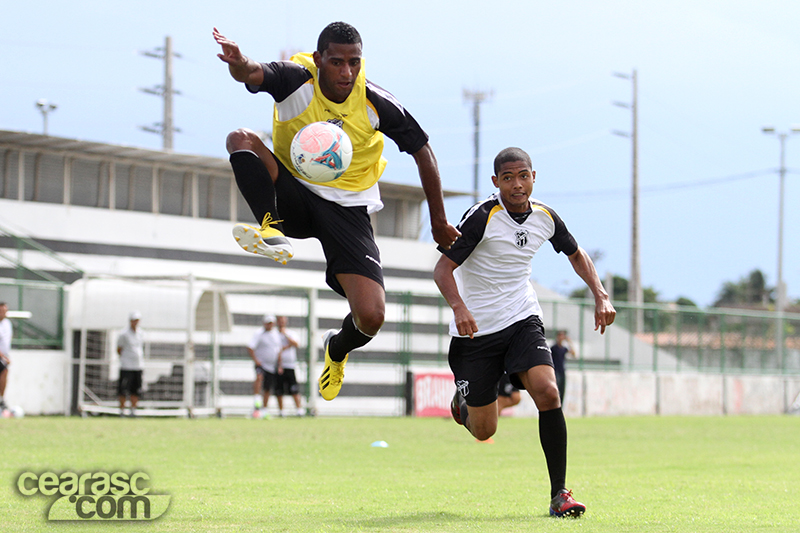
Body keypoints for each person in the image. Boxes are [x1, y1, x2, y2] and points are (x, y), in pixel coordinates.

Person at [213, 22, 460, 402]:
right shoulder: (295, 78)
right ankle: (269, 226)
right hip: (293, 190)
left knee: (372, 316)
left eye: (354, 63)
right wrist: (239, 61)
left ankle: (337, 349)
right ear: (318, 60)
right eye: (337, 62)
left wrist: (439, 221)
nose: (346, 72)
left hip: (348, 209)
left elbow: (422, 149)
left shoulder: (375, 102)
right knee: (240, 139)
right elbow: (249, 72)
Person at [433, 147, 616, 518]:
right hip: (476, 334)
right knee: (484, 430)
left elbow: (577, 255)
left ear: (534, 177)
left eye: (523, 176)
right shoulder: (482, 217)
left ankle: (559, 494)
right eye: (508, 178)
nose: (517, 185)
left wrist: (600, 295)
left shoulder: (546, 217)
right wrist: (460, 308)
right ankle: (462, 403)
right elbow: (442, 269)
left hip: (522, 319)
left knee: (548, 392)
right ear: (495, 182)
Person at [247, 314, 282, 418]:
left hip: (271, 365)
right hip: (261, 364)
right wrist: (256, 360)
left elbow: (278, 350)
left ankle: (264, 409)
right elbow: (250, 347)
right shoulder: (258, 334)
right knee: (259, 378)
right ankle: (257, 398)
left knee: (268, 388)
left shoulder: (276, 334)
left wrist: (280, 364)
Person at [275, 316, 304, 417]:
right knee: (279, 390)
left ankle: (299, 410)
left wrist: (285, 335)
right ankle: (281, 411)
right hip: (278, 365)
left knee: (294, 389)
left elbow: (296, 344)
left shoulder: (290, 333)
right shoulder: (274, 335)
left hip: (290, 365)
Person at [117, 311, 145, 417]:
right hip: (126, 366)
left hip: (138, 365)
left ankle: (133, 411)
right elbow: (119, 349)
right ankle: (122, 411)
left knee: (136, 389)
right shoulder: (123, 334)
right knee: (123, 389)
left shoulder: (141, 333)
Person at [550, 330, 576, 403]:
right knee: (556, 390)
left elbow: (573, 354)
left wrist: (569, 342)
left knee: (562, 390)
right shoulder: (554, 348)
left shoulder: (564, 349)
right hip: (555, 372)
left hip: (562, 371)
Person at [0, 303, 12, 410]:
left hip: (3, 357)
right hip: (1, 357)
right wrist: (4, 357)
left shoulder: (7, 323)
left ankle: (1, 399)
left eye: (5, 311)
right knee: (3, 371)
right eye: (1, 311)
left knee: (4, 372)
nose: (4, 313)